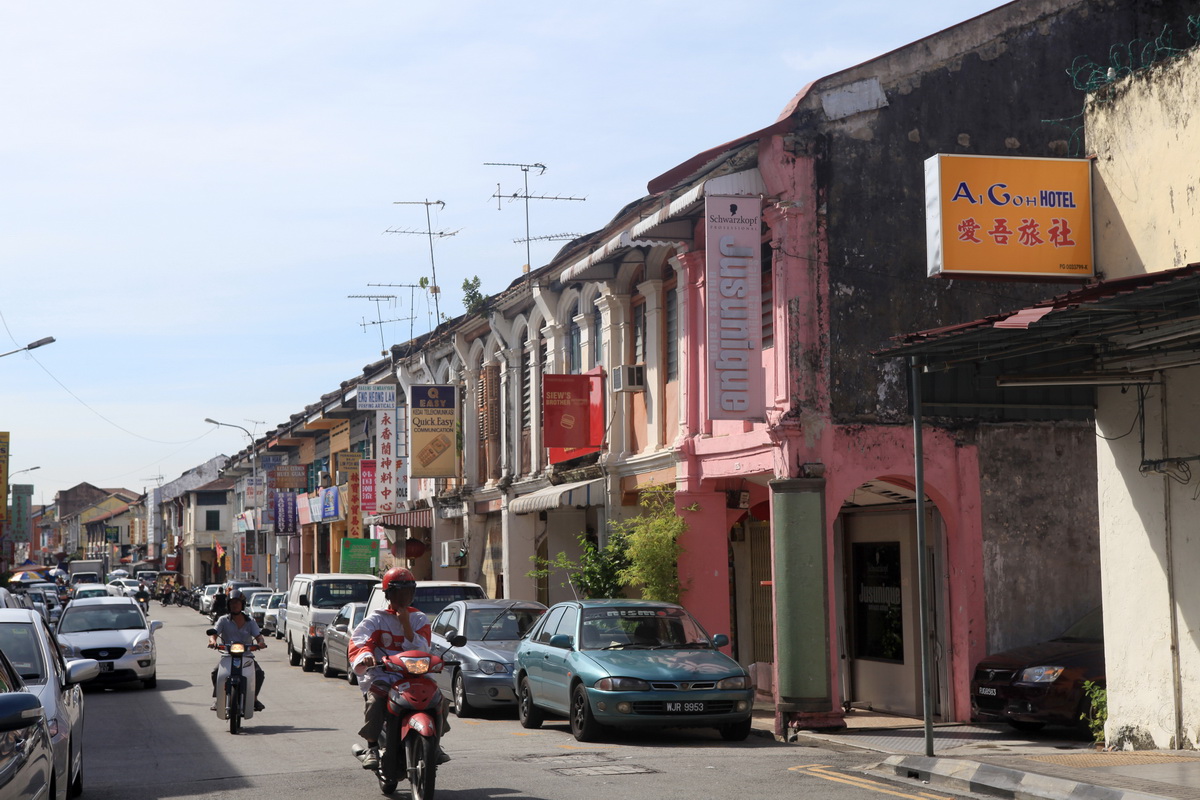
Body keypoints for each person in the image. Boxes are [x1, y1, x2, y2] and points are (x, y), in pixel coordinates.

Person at [349, 567, 450, 770]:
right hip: (385, 675)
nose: (403, 598)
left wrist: (406, 625)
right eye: (398, 593)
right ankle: (372, 747)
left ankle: (435, 745)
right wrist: (367, 656)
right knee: (376, 701)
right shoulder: (376, 619)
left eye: (408, 592)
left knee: (440, 700)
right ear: (388, 594)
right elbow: (359, 641)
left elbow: (423, 648)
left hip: (415, 675)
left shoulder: (419, 618)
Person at [207, 589, 267, 711]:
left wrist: (261, 642)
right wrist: (213, 641)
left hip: (246, 656)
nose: (235, 605)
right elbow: (214, 633)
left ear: (242, 605)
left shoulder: (250, 621)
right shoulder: (223, 620)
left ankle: (254, 698)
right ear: (228, 605)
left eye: (237, 603)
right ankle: (219, 699)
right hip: (228, 655)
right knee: (215, 673)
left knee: (259, 674)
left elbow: (258, 635)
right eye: (232, 603)